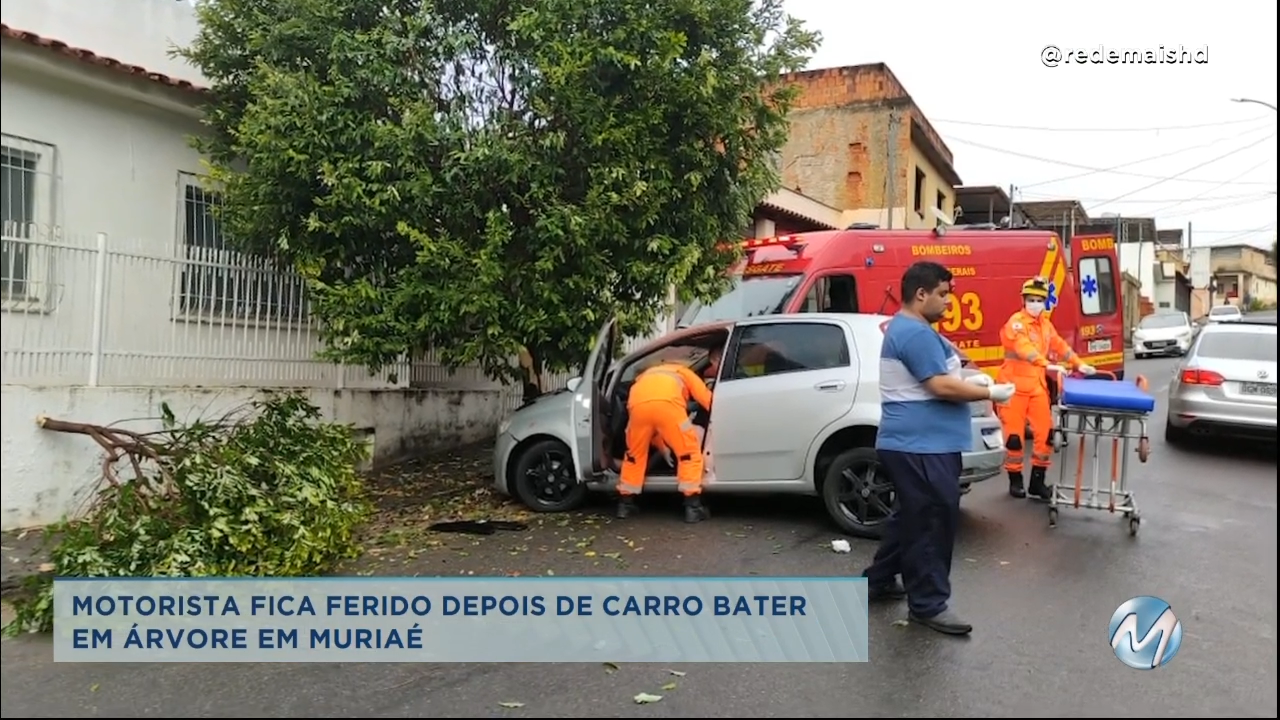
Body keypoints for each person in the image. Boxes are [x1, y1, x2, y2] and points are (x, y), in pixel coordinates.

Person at [861, 262, 1015, 636]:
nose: (949, 302)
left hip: (922, 445)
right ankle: (928, 605)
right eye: (943, 294)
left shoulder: (919, 330)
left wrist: (970, 377)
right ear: (921, 294)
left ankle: (877, 582)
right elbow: (940, 387)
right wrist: (987, 391)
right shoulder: (914, 333)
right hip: (921, 447)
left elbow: (946, 375)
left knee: (912, 518)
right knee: (931, 522)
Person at [997, 277, 1096, 500]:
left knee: (1046, 435)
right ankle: (1015, 481)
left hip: (1037, 387)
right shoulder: (1017, 323)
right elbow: (1024, 348)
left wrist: (1080, 364)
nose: (1035, 303)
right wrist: (1046, 363)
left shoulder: (1045, 324)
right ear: (1023, 300)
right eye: (1031, 299)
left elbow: (1061, 346)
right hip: (1013, 387)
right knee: (1014, 438)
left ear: (1044, 301)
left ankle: (1037, 483)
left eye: (1039, 299)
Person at [617, 347, 719, 523]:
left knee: (634, 456)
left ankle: (626, 505)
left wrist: (662, 447)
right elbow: (707, 400)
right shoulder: (684, 372)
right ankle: (693, 506)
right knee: (689, 455)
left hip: (638, 410)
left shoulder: (644, 377)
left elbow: (651, 421)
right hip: (669, 408)